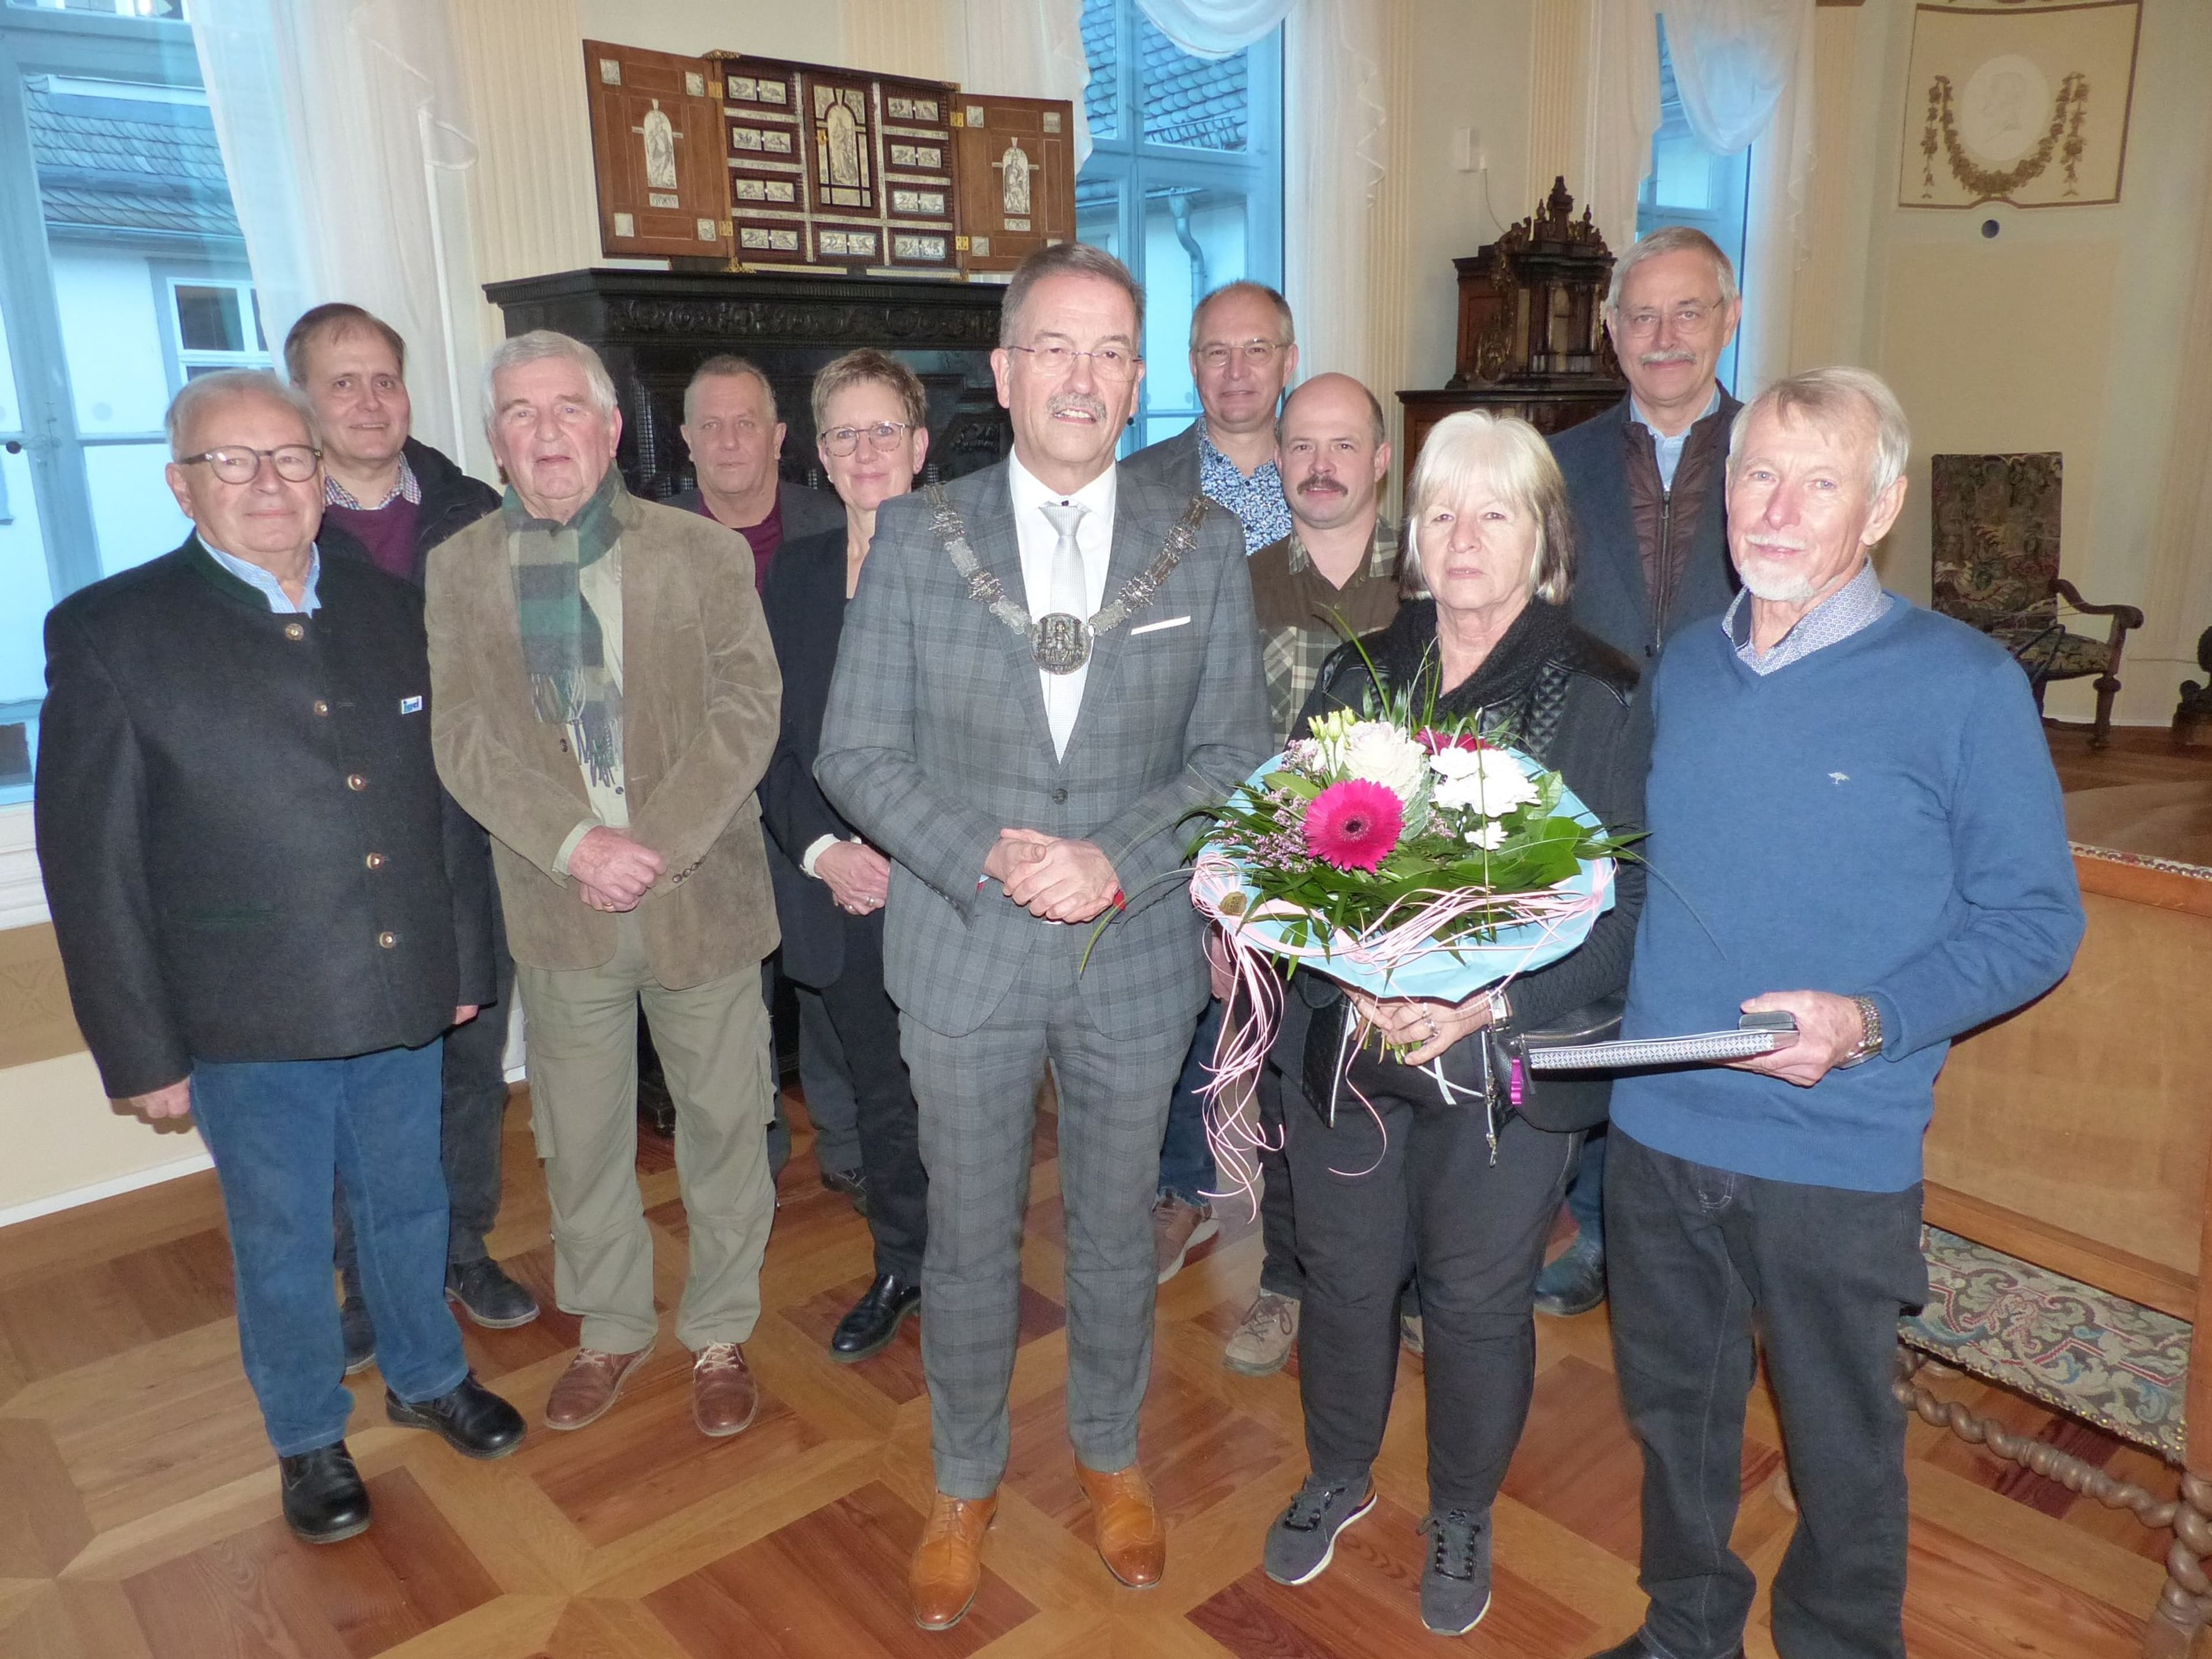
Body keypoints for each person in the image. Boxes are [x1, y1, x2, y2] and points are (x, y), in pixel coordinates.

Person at [1586, 368, 2084, 1659]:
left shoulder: (1964, 683)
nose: (1780, 507)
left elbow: (2037, 922)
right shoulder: (1686, 668)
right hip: (1659, 1128)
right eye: (1758, 473)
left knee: (1840, 1440)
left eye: (1821, 480)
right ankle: (1685, 1630)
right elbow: (1639, 873)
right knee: (1673, 1417)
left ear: (1882, 506)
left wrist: (1868, 1019)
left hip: (1836, 1144)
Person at [817, 243, 1270, 1630]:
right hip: (963, 948)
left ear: (1137, 384)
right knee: (963, 1233)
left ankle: (1112, 1456)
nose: (1084, 376)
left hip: (1129, 952)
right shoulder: (916, 533)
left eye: (1111, 352)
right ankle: (964, 1481)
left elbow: (1235, 756)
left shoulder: (1203, 543)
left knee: (1117, 1229)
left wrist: (1115, 862)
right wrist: (983, 858)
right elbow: (855, 754)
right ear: (1006, 374)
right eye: (1055, 349)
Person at [36, 370, 525, 1546]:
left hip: (403, 987)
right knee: (287, 1241)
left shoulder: (386, 602)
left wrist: (460, 960)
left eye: (290, 459)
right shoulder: (113, 633)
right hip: (245, 1019)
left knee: (415, 1205)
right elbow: (94, 873)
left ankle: (424, 1374)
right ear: (181, 484)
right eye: (233, 462)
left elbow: (443, 810)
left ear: (322, 473)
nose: (268, 484)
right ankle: (309, 1440)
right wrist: (141, 1051)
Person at [1256, 410, 1648, 1637]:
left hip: (1500, 1058)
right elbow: (1294, 857)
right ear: (1412, 539)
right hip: (1355, 1043)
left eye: (1496, 514)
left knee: (1477, 1300)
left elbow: (1627, 896)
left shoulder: (1601, 688)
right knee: (1345, 1276)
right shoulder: (1357, 670)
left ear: (1546, 540)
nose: (1464, 537)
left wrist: (1492, 998)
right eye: (1441, 513)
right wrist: (1346, 972)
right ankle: (1337, 1472)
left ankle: (1463, 1509)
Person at [425, 331, 784, 1441]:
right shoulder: (461, 569)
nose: (544, 434)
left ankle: (721, 1331)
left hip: (699, 894)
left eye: (564, 410)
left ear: (610, 427)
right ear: (495, 443)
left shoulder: (699, 552)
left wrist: (654, 843)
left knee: (728, 1124)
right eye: (519, 416)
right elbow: (466, 737)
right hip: (558, 902)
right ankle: (613, 1328)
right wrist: (580, 843)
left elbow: (747, 710)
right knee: (578, 1137)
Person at [285, 302, 538, 1366]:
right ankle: (365, 1275)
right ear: (306, 399)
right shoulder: (280, 521)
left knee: (470, 1061)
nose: (370, 401)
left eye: (384, 378)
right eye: (343, 383)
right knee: (364, 1072)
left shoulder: (479, 511)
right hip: (345, 846)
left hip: (469, 834)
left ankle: (459, 1246)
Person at [1539, 226, 1744, 1320]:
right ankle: (1601, 1228)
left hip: (1732, 781)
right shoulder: (1560, 463)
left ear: (1730, 316)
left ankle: (1702, 1232)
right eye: (1642, 317)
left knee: (1707, 999)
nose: (1664, 338)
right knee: (1594, 1005)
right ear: (1612, 332)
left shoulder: (1776, 449)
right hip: (1594, 778)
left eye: (1688, 313)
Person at [1221, 371, 1402, 1378]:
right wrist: (1226, 915)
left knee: (1407, 1098)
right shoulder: (1235, 581)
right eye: (1301, 447)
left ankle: (1405, 1286)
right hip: (1275, 904)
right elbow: (1206, 746)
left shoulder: (1434, 573)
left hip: (1406, 902)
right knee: (1286, 1108)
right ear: (1276, 459)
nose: (1321, 467)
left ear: (1381, 460)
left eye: (1345, 446)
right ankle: (1286, 1283)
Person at [760, 349, 933, 1363]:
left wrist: (917, 854)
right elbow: (771, 742)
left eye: (883, 431)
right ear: (820, 457)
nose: (864, 452)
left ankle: (972, 1272)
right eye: (842, 435)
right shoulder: (798, 574)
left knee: (961, 1098)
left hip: (949, 889)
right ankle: (903, 1264)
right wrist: (825, 849)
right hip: (847, 892)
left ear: (918, 445)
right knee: (877, 1098)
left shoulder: (978, 567)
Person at [1125, 279, 1300, 1286]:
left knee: (1291, 1004)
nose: (1235, 372)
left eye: (1256, 350)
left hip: (1308, 789)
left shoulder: (1326, 469)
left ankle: (1305, 1212)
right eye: (1214, 352)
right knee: (1186, 1000)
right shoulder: (1139, 485)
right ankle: (1182, 1190)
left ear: (1285, 357)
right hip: (1177, 781)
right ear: (1190, 365)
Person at [669, 353, 853, 1188]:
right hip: (707, 802)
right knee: (731, 996)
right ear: (686, 441)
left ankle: (850, 1156)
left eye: (748, 422)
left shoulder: (838, 522)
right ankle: (752, 1157)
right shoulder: (653, 538)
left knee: (828, 987)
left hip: (812, 790)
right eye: (712, 424)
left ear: (782, 437)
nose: (731, 439)